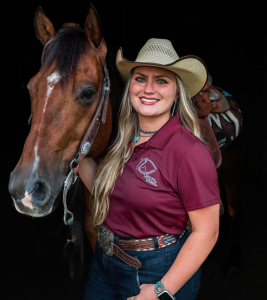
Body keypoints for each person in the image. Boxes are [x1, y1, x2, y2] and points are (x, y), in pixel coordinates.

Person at [79, 38, 220, 300]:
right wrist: (72, 153)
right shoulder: (123, 137)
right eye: (140, 78)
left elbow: (207, 232)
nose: (148, 89)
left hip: (156, 269)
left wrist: (160, 290)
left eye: (162, 81)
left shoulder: (189, 152)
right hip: (106, 262)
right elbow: (108, 190)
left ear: (177, 91)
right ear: (130, 85)